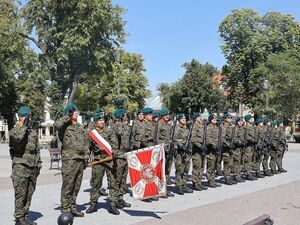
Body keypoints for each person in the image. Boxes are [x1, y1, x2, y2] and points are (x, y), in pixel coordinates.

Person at [54, 103, 89, 217]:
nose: (77, 113)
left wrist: (86, 156)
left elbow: (85, 143)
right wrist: (67, 116)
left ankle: (73, 207)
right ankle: (65, 208)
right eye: (74, 111)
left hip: (80, 160)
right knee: (68, 185)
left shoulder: (79, 126)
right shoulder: (64, 127)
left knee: (76, 185)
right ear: (69, 113)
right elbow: (56, 125)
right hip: (69, 160)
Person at [9, 106, 41, 225]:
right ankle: (19, 218)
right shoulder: (14, 130)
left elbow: (36, 149)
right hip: (20, 167)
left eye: (30, 117)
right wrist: (24, 126)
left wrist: (39, 164)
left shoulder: (32, 132)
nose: (30, 119)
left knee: (29, 193)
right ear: (21, 117)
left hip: (32, 167)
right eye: (27, 117)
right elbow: (17, 140)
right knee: (20, 194)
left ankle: (25, 215)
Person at [86, 112, 119, 215]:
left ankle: (112, 204)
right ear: (96, 122)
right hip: (98, 161)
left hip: (109, 160)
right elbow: (87, 147)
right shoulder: (92, 134)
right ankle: (93, 204)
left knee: (112, 183)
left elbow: (115, 145)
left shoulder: (109, 131)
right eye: (100, 120)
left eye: (103, 120)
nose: (102, 122)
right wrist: (88, 157)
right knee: (96, 183)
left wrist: (114, 153)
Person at [110, 109, 131, 209]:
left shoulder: (126, 126)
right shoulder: (115, 126)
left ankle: (120, 197)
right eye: (124, 116)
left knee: (123, 179)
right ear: (121, 117)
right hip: (118, 157)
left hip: (125, 155)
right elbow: (119, 132)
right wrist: (120, 122)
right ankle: (114, 201)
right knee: (117, 180)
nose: (126, 117)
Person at [155, 108, 175, 197]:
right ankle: (160, 189)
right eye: (165, 115)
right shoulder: (159, 124)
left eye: (168, 115)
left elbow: (170, 137)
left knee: (167, 169)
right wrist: (162, 146)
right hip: (162, 150)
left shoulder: (169, 125)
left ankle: (165, 188)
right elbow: (156, 138)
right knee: (161, 170)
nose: (167, 116)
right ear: (162, 116)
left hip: (169, 149)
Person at [173, 113, 193, 195]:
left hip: (186, 151)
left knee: (186, 168)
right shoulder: (177, 128)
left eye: (185, 118)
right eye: (182, 118)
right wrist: (181, 145)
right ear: (179, 120)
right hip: (179, 151)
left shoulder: (187, 129)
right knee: (179, 169)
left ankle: (184, 185)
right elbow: (174, 139)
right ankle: (179, 186)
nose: (184, 119)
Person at [190, 112, 208, 190]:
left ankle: (199, 182)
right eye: (199, 117)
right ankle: (195, 183)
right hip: (197, 150)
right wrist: (200, 146)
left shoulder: (202, 126)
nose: (201, 118)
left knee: (201, 166)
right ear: (196, 118)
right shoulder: (194, 126)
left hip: (202, 150)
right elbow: (193, 139)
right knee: (197, 166)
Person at [206, 114, 222, 188]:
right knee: (210, 166)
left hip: (216, 150)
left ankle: (213, 180)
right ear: (210, 120)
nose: (215, 119)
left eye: (215, 118)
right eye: (213, 118)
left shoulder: (217, 127)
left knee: (215, 165)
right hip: (211, 150)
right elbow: (208, 139)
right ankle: (210, 181)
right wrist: (214, 145)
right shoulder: (209, 127)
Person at [221, 113, 236, 185]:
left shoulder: (231, 126)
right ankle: (226, 178)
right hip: (226, 148)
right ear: (225, 119)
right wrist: (228, 145)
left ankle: (229, 177)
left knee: (230, 163)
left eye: (231, 117)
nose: (230, 119)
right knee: (226, 163)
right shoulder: (225, 127)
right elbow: (222, 138)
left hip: (231, 147)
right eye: (228, 117)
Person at [243, 114, 256, 181]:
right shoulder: (245, 127)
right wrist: (251, 140)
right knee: (247, 159)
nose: (252, 119)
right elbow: (246, 136)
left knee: (251, 159)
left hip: (252, 146)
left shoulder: (252, 127)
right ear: (248, 120)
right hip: (248, 146)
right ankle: (247, 174)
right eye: (251, 118)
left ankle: (249, 172)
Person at [232, 117, 245, 183]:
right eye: (239, 121)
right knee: (236, 162)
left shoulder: (242, 129)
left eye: (241, 121)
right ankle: (236, 176)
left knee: (240, 162)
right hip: (236, 148)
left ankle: (238, 175)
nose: (240, 122)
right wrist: (240, 143)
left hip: (241, 148)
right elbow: (234, 139)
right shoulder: (235, 129)